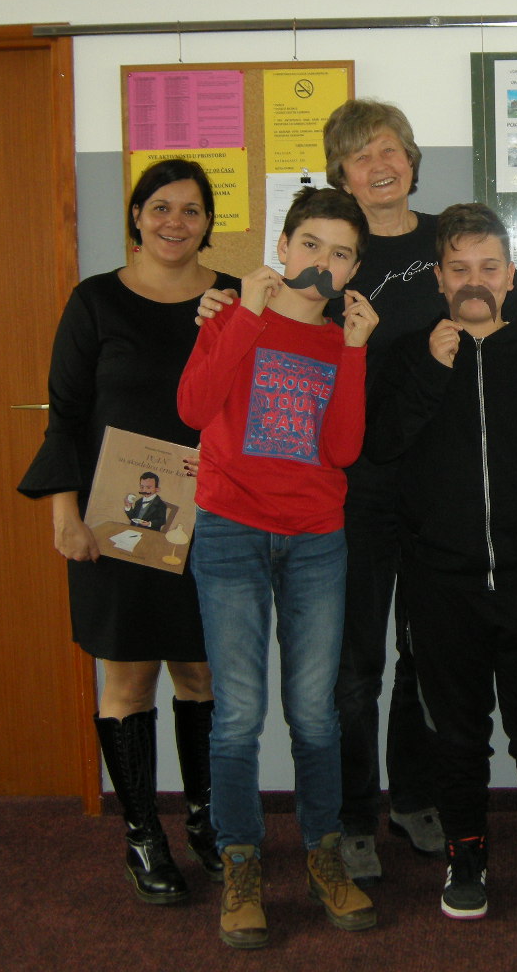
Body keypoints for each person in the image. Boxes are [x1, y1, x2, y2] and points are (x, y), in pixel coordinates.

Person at [196, 99, 517, 887]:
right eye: (360, 156)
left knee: (427, 654)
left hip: (445, 484)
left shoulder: (446, 239)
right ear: (341, 175)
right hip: (352, 488)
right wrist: (217, 303)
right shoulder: (337, 250)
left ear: (411, 159)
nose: (379, 166)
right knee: (354, 668)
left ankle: (414, 797)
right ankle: (354, 814)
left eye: (390, 150)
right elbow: (267, 318)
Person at [366, 204, 517, 935]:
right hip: (441, 589)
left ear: (509, 279)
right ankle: (465, 857)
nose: (474, 282)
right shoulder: (409, 357)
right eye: (460, 269)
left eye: (489, 268)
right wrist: (431, 372)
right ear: (440, 279)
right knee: (457, 736)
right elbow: (380, 450)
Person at [17, 158, 235, 905]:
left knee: (202, 674)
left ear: (209, 223)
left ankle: (206, 820)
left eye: (191, 210)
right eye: (160, 207)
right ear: (137, 216)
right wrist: (64, 514)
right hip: (117, 524)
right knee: (129, 680)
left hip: (210, 522)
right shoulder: (95, 302)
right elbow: (66, 414)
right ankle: (143, 834)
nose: (176, 222)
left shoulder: (230, 299)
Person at [178, 187, 381, 948]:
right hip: (230, 531)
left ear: (353, 269)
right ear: (284, 246)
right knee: (237, 712)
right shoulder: (230, 316)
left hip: (316, 539)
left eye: (341, 254)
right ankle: (241, 863)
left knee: (315, 711)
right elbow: (193, 408)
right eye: (311, 246)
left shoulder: (342, 341)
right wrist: (245, 316)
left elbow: (344, 450)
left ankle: (324, 855)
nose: (323, 264)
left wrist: (355, 351)